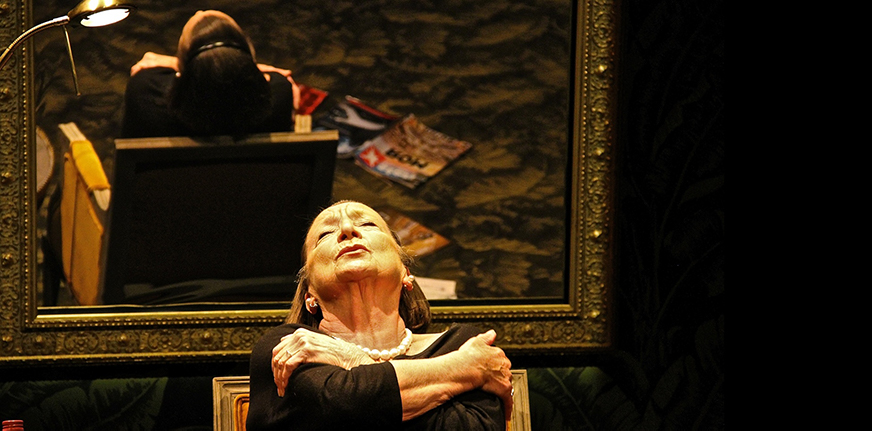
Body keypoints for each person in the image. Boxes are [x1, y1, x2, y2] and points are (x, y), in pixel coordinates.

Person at [247, 201, 514, 430]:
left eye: (368, 225)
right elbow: (342, 404)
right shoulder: (290, 346)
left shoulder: (461, 344)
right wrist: (462, 368)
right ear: (309, 293)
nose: (347, 230)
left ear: (406, 272)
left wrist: (351, 359)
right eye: (325, 234)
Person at [120, 10, 300, 138]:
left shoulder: (146, 91)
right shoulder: (278, 95)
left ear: (182, 65)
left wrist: (172, 61)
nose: (199, 12)